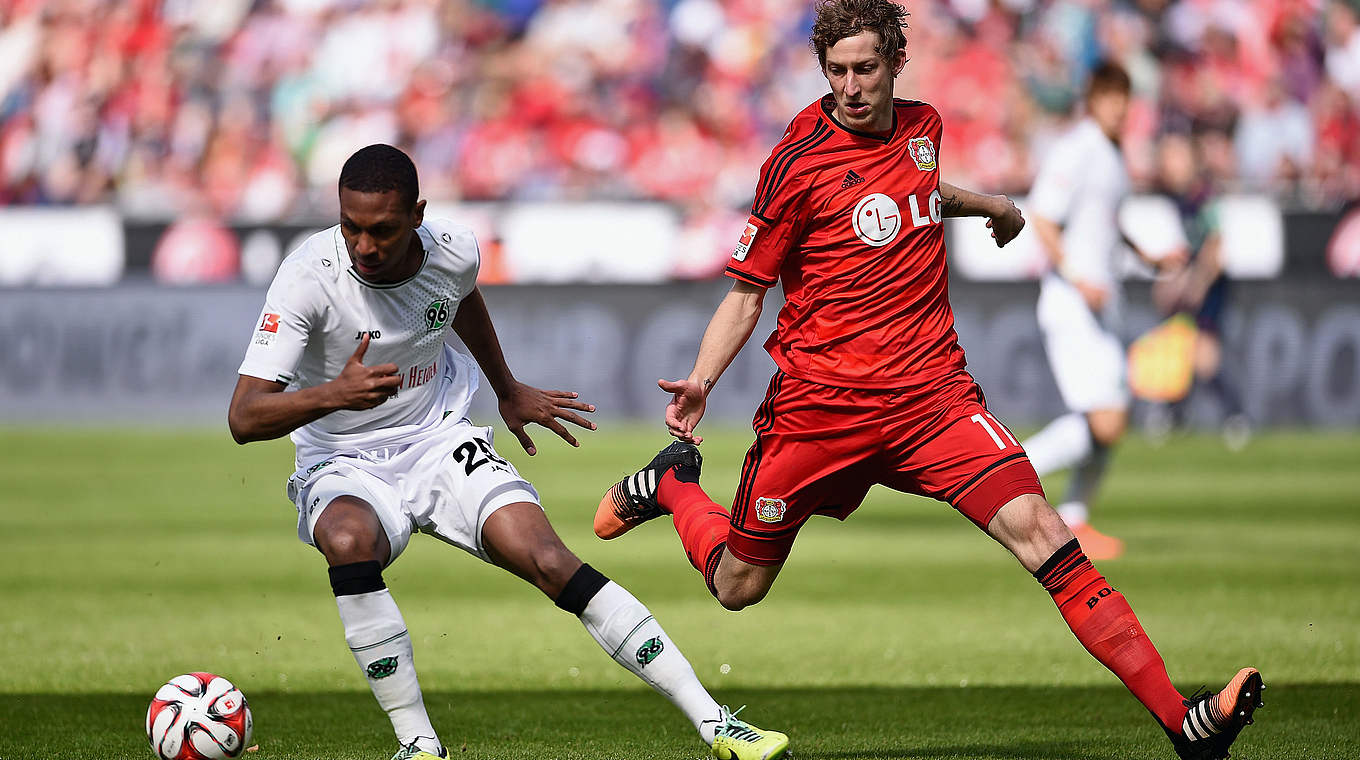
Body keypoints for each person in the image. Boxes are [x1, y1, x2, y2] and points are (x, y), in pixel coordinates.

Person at [593, 3, 1262, 758]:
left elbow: (921, 190)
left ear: (896, 64)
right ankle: (677, 485)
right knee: (737, 587)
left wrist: (993, 206)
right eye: (837, 72)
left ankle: (1183, 723)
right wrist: (701, 381)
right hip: (822, 409)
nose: (850, 86)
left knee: (1044, 530)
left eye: (865, 69)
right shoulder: (794, 164)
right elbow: (748, 290)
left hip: (930, 400)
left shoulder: (924, 127)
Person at [227, 144, 788, 760]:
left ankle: (718, 726)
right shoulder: (308, 276)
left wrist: (507, 388)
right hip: (342, 457)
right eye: (351, 227)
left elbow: (461, 295)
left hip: (440, 439)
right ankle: (419, 745)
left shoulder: (454, 249)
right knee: (348, 542)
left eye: (382, 230)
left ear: (417, 214)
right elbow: (245, 416)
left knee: (547, 557)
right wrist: (334, 394)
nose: (364, 246)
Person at [1019, 62, 1185, 560]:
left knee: (1114, 415)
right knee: (1107, 420)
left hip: (1102, 301)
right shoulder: (1078, 148)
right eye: (1110, 97)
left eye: (1124, 98)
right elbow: (1043, 218)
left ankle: (1075, 520)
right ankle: (1003, 473)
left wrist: (1145, 255)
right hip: (1074, 303)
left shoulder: (1111, 154)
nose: (1119, 107)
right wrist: (1076, 277)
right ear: (1092, 99)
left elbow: (1106, 224)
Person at [1146, 132, 1251, 450]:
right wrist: (1174, 281)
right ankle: (1177, 413)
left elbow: (1214, 249)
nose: (1169, 164)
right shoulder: (1180, 199)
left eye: (1176, 156)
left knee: (1203, 356)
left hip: (1211, 284)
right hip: (1196, 280)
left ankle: (1234, 416)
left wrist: (1196, 284)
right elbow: (1191, 248)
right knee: (1183, 348)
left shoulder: (1203, 197)